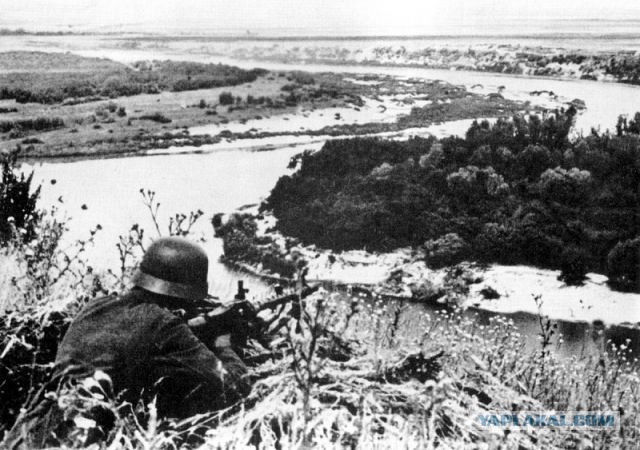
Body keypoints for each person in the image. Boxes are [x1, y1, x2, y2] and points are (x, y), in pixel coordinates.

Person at [5, 237, 250, 449]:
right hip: (81, 439)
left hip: (28, 432)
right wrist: (223, 344)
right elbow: (238, 385)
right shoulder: (164, 325)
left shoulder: (96, 305)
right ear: (186, 294)